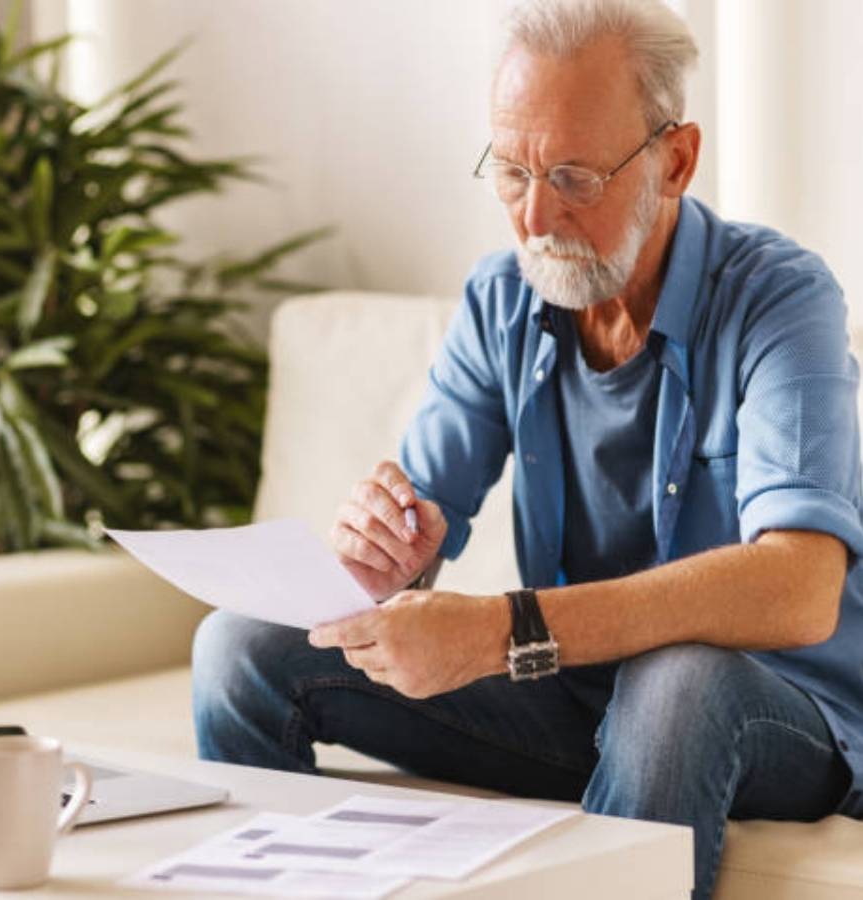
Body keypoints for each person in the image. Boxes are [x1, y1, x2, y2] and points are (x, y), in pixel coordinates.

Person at [192, 1, 863, 896]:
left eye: (576, 176)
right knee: (239, 649)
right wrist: (387, 554)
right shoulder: (501, 299)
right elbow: (414, 530)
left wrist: (507, 631)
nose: (535, 215)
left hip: (776, 713)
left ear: (676, 158)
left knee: (677, 685)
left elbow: (801, 586)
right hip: (578, 703)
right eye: (511, 171)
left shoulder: (780, 299)